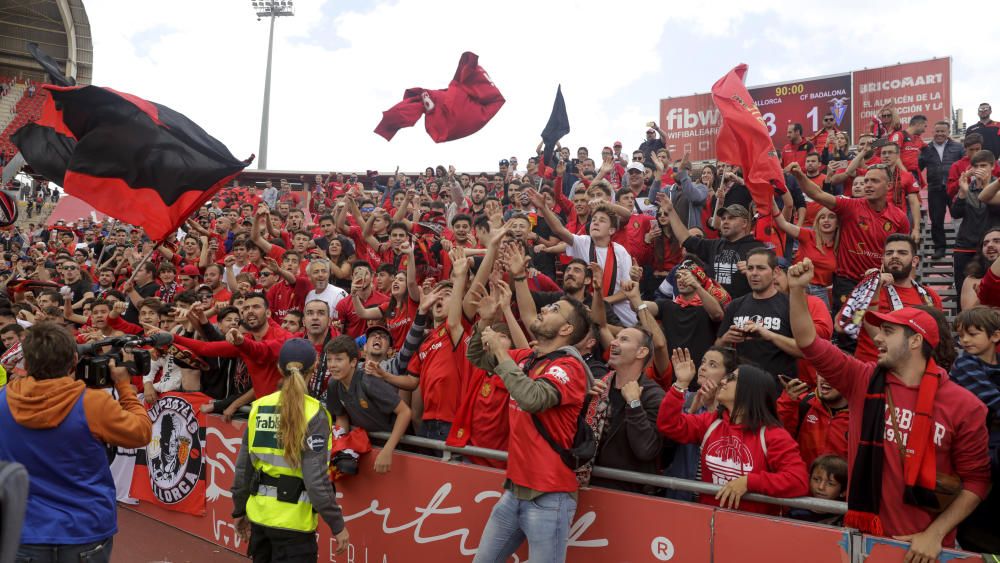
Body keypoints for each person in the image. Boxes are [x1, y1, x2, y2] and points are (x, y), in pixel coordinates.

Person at [788, 258, 991, 558]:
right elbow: (807, 340)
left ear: (915, 342)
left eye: (888, 331)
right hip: (863, 542)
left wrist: (933, 534)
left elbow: (977, 482)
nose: (877, 338)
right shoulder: (862, 379)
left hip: (922, 549)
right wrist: (796, 290)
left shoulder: (965, 405)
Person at [0, 322, 153, 562]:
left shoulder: (4, 400)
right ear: (74, 361)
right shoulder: (92, 403)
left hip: (24, 530)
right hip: (85, 528)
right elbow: (141, 432)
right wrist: (125, 387)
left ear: (27, 364)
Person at [467, 296, 592, 563]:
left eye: (555, 309)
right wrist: (485, 322)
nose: (545, 308)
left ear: (566, 329)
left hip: (550, 497)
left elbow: (533, 398)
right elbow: (476, 356)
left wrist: (501, 353)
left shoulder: (570, 368)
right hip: (514, 492)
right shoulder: (527, 358)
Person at [230, 338, 349, 561]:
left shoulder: (259, 407)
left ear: (278, 368)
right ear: (313, 369)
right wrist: (337, 524)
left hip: (260, 518)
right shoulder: (315, 413)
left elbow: (243, 470)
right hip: (295, 526)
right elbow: (316, 481)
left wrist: (239, 510)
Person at [656, 358, 809, 515]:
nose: (723, 381)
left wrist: (749, 482)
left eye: (731, 378)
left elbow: (798, 480)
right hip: (710, 524)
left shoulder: (773, 435)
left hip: (754, 529)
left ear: (749, 389)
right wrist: (680, 384)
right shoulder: (712, 422)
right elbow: (669, 425)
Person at [789, 163, 908, 312]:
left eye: (875, 181)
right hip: (847, 282)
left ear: (889, 185)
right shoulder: (851, 206)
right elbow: (817, 194)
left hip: (879, 282)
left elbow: (905, 255)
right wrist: (800, 175)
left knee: (875, 327)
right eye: (866, 181)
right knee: (845, 330)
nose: (868, 185)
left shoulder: (899, 218)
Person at [837, 235, 942, 362]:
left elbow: (936, 338)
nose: (894, 256)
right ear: (882, 259)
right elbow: (840, 326)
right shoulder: (868, 288)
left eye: (902, 253)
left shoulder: (929, 297)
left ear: (914, 261)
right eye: (889, 253)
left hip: (910, 372)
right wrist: (872, 286)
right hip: (872, 370)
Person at [948, 306, 1000, 553]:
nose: (965, 341)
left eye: (972, 334)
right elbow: (995, 403)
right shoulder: (964, 365)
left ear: (995, 336)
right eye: (960, 336)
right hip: (978, 455)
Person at [716, 248, 799, 380]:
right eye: (750, 268)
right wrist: (726, 339)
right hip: (742, 386)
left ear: (775, 272)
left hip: (778, 389)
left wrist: (769, 335)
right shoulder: (735, 305)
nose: (754, 273)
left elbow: (804, 350)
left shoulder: (791, 305)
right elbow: (717, 348)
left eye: (760, 268)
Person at [665, 199, 763, 299]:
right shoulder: (714, 245)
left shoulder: (757, 248)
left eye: (731, 218)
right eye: (723, 218)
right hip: (714, 308)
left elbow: (769, 281)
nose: (725, 222)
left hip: (742, 309)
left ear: (744, 223)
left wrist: (753, 270)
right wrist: (671, 211)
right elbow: (686, 239)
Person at [919, 121, 965, 259]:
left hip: (954, 189)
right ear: (933, 132)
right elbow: (917, 168)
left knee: (958, 217)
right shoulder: (926, 149)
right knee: (936, 220)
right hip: (934, 189)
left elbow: (965, 164)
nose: (939, 134)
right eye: (937, 131)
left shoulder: (958, 147)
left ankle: (961, 244)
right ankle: (939, 248)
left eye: (942, 131)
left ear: (948, 132)